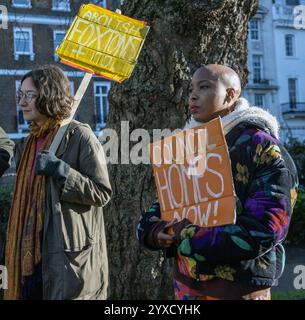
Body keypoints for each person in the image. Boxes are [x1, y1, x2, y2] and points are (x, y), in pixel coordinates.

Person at [137, 64, 298, 300]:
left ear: (230, 95)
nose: (192, 95)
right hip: (186, 285)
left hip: (237, 288)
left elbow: (267, 227)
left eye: (204, 87)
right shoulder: (186, 145)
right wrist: (154, 230)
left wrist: (184, 235)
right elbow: (165, 203)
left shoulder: (261, 146)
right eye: (192, 88)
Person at [4, 65, 112, 300]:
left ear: (49, 94)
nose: (22, 102)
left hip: (67, 262)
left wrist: (61, 170)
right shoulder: (26, 145)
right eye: (20, 95)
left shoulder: (80, 136)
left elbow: (102, 193)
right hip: (29, 262)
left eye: (30, 95)